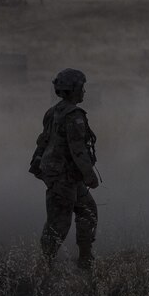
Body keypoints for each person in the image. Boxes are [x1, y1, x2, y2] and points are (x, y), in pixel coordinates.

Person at [29, 68, 99, 270]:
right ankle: (44, 266)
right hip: (64, 176)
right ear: (74, 89)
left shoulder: (54, 111)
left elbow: (45, 141)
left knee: (87, 212)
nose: (84, 92)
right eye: (82, 88)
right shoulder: (73, 115)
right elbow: (78, 150)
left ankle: (85, 260)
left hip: (65, 175)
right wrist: (89, 175)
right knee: (59, 223)